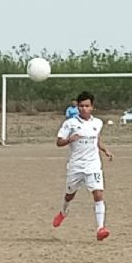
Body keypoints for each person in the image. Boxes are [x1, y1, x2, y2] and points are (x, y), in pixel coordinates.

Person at [51, 91, 114, 241]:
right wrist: (69, 140)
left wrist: (105, 150)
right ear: (78, 107)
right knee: (69, 195)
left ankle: (100, 228)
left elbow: (96, 140)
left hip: (93, 165)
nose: (84, 108)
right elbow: (58, 142)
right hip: (76, 166)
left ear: (92, 107)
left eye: (87, 106)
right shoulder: (70, 124)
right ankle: (63, 212)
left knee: (98, 194)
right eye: (81, 106)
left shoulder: (97, 123)